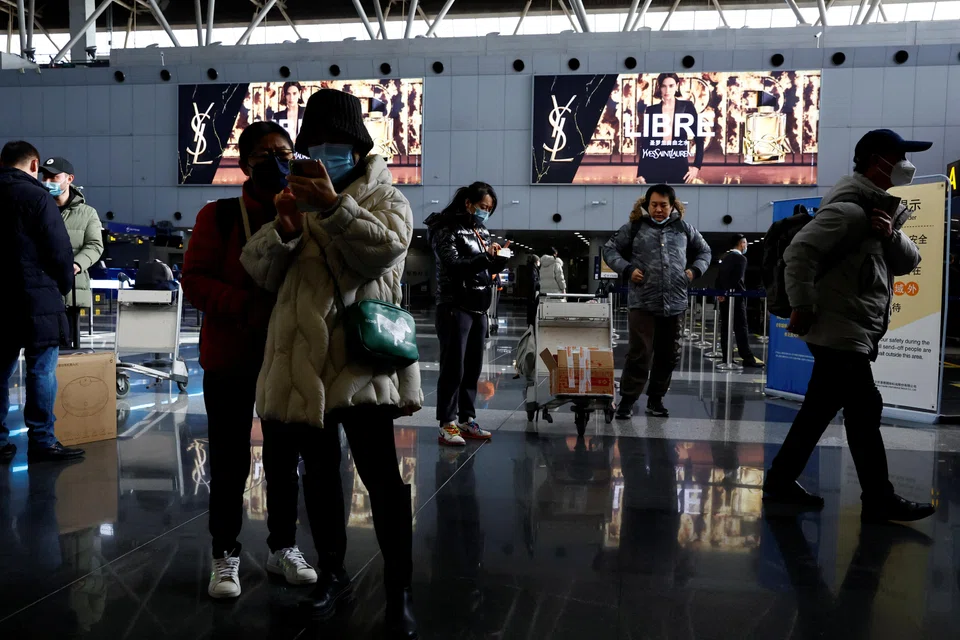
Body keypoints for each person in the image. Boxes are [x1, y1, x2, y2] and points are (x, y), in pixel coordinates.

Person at [240, 88, 422, 638]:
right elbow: (259, 271)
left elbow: (383, 252)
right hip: (304, 363)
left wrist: (333, 208)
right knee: (318, 477)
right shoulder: (293, 196)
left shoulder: (386, 196)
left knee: (381, 478)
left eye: (335, 142)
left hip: (361, 362)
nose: (324, 152)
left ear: (357, 147)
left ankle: (399, 589)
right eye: (314, 142)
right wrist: (286, 230)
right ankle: (334, 574)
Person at [763, 129, 936, 523]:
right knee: (864, 408)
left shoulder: (876, 210)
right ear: (876, 162)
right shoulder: (850, 210)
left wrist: (890, 234)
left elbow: (909, 261)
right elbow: (798, 253)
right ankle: (878, 498)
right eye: (900, 157)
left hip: (849, 325)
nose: (906, 165)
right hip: (839, 328)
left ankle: (780, 480)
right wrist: (802, 304)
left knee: (820, 408)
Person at [183, 122, 318, 599]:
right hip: (230, 357)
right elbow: (194, 280)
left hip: (286, 357)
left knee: (284, 458)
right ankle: (225, 552)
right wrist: (245, 307)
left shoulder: (306, 212)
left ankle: (283, 546)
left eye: (285, 153)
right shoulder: (218, 215)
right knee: (228, 459)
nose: (277, 162)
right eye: (264, 154)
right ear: (244, 163)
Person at [0, 141, 85, 464]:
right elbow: (58, 250)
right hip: (37, 298)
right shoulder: (37, 197)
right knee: (41, 371)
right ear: (34, 165)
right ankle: (42, 441)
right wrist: (62, 286)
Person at [602, 184, 711, 419]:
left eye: (663, 205)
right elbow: (610, 250)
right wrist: (627, 269)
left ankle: (656, 400)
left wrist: (693, 271)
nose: (658, 209)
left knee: (669, 354)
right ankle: (627, 400)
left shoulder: (684, 228)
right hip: (642, 302)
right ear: (647, 204)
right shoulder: (634, 227)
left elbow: (705, 252)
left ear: (672, 206)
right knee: (639, 353)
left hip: (675, 302)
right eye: (654, 205)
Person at [426, 182, 507, 447]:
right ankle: (446, 423)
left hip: (479, 306)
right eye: (483, 207)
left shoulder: (480, 230)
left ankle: (466, 418)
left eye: (490, 209)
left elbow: (483, 268)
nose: (486, 212)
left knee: (472, 367)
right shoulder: (444, 227)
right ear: (468, 203)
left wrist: (497, 261)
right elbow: (452, 264)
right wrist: (484, 259)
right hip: (454, 305)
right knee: (453, 367)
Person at [39, 157, 103, 316]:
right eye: (45, 176)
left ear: (69, 179)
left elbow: (95, 245)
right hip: (40, 290)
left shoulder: (88, 213)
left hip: (72, 290)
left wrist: (76, 264)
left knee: (69, 331)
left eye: (54, 177)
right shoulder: (36, 208)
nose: (47, 181)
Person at [636, 73, 704, 185]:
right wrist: (640, 173)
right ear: (659, 87)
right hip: (654, 164)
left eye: (671, 86)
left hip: (679, 164)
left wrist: (696, 166)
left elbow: (699, 138)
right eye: (664, 86)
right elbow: (646, 143)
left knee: (678, 195)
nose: (667, 90)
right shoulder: (651, 110)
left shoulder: (687, 107)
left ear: (677, 86)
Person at [715, 234, 763, 368]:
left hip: (724, 297)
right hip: (736, 297)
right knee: (741, 328)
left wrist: (721, 292)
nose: (746, 246)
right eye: (745, 243)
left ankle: (727, 357)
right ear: (741, 244)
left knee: (725, 328)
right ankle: (747, 358)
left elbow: (719, 277)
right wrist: (733, 292)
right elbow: (737, 278)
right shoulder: (741, 258)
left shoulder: (725, 257)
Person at [526, 254, 541, 326]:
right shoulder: (533, 269)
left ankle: (530, 323)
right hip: (532, 292)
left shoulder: (531, 267)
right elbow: (534, 281)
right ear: (536, 261)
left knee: (530, 309)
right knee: (532, 309)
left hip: (531, 292)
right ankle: (531, 323)